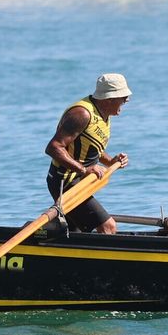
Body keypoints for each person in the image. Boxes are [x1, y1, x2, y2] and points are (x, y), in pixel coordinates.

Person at [44, 73, 132, 234]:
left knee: (75, 234)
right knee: (108, 227)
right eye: (123, 97)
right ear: (109, 99)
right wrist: (84, 170)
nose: (127, 100)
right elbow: (54, 147)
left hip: (82, 181)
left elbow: (90, 147)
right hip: (66, 182)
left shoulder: (104, 114)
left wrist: (110, 161)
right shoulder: (82, 114)